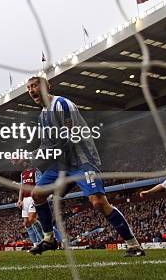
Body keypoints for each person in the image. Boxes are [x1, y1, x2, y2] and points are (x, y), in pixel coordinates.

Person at [26, 76, 145, 257]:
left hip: (82, 160)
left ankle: (133, 245)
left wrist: (39, 154)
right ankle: (49, 239)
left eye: (34, 86)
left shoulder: (63, 105)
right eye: (28, 88)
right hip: (62, 164)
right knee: (37, 194)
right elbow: (46, 144)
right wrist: (29, 157)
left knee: (98, 203)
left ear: (46, 87)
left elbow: (68, 137)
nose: (31, 90)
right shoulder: (42, 116)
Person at [17, 166, 44, 248]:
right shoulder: (23, 173)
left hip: (33, 197)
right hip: (25, 199)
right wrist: (19, 200)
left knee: (31, 219)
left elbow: (40, 184)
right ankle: (35, 244)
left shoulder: (36, 171)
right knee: (26, 223)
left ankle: (43, 240)